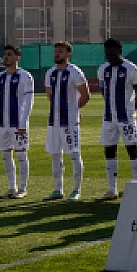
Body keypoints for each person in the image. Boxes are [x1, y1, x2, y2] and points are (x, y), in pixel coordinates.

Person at [95, 38, 137, 201]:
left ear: (119, 51)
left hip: (126, 118)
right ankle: (112, 190)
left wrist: (131, 110)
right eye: (107, 54)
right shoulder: (103, 69)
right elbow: (104, 90)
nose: (109, 57)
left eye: (112, 54)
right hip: (109, 118)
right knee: (109, 150)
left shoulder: (131, 69)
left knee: (132, 149)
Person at [43, 40, 89, 200]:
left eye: (60, 52)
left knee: (74, 154)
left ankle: (76, 190)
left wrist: (74, 110)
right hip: (53, 122)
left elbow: (86, 95)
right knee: (55, 155)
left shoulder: (75, 72)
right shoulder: (50, 73)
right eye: (55, 51)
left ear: (68, 54)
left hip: (69, 122)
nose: (57, 54)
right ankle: (58, 189)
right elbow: (49, 95)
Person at [0, 45, 34, 198]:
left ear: (17, 57)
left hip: (18, 123)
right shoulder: (0, 77)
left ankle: (23, 188)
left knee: (21, 155)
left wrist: (23, 123)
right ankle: (12, 187)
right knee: (6, 155)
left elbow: (29, 102)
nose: (6, 57)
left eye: (9, 54)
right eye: (5, 54)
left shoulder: (25, 76)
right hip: (4, 123)